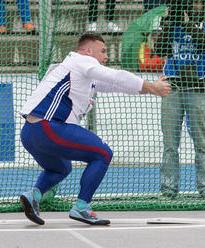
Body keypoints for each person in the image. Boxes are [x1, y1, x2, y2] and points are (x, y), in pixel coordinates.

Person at [19, 33, 170, 225]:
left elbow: (117, 84)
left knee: (61, 168)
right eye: (103, 51)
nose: (106, 56)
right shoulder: (81, 61)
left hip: (30, 133)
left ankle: (33, 195)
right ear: (88, 51)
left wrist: (151, 88)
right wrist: (152, 86)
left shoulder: (75, 69)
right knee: (102, 154)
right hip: (48, 128)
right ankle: (81, 207)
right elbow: (116, 75)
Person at [153, 0, 205, 198]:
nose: (193, 6)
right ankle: (168, 189)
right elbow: (159, 50)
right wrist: (167, 23)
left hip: (198, 89)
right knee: (170, 144)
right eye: (189, 3)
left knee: (201, 142)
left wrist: (187, 24)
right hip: (172, 88)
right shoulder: (171, 26)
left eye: (197, 2)